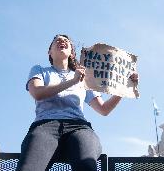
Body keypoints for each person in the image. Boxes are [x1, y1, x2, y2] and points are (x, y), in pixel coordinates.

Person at [16, 34, 138, 171]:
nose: (61, 41)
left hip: (78, 127)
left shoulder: (85, 77)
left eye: (66, 40)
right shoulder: (39, 70)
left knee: (86, 166)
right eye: (56, 40)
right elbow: (37, 93)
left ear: (72, 52)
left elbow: (103, 109)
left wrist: (122, 89)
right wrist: (72, 81)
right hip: (45, 126)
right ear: (49, 52)